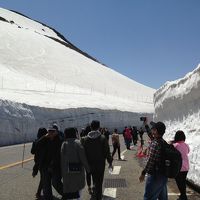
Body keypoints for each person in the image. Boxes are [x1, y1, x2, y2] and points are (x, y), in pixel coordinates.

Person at [81, 120, 113, 200]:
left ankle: (94, 192)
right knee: (99, 181)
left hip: (89, 164)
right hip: (100, 164)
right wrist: (110, 162)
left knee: (93, 179)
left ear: (91, 127)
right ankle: (98, 196)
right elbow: (107, 152)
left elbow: (82, 153)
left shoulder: (84, 139)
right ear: (98, 127)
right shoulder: (102, 138)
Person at [139, 121, 168, 200]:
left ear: (156, 131)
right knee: (163, 198)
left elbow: (151, 161)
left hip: (155, 175)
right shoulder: (162, 142)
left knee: (148, 197)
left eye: (153, 129)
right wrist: (146, 125)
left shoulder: (155, 144)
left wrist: (143, 173)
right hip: (163, 175)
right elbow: (150, 134)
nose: (152, 130)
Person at [33, 126, 63, 200]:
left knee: (56, 183)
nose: (51, 133)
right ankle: (48, 197)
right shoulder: (45, 140)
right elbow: (36, 147)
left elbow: (62, 144)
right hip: (45, 166)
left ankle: (66, 195)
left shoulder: (58, 139)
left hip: (55, 166)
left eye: (53, 131)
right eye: (49, 131)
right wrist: (44, 137)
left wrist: (57, 135)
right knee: (46, 186)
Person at [61, 127, 90, 200]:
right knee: (78, 192)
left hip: (67, 172)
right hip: (77, 171)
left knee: (70, 192)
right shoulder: (77, 143)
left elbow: (62, 159)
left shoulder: (63, 144)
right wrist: (88, 169)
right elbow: (83, 158)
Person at [31, 127, 47, 199]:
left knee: (43, 177)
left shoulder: (35, 141)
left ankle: (43, 192)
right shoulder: (46, 140)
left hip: (37, 161)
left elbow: (32, 152)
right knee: (44, 178)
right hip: (44, 161)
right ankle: (39, 192)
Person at [173, 130, 190, 200]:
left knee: (179, 182)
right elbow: (188, 151)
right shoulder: (186, 145)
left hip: (179, 167)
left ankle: (183, 196)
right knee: (183, 182)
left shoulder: (175, 145)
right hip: (186, 167)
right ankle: (183, 196)